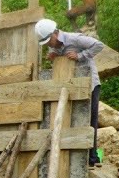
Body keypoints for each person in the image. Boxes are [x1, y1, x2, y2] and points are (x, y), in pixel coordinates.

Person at [36, 19, 105, 166]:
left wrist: (80, 56)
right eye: (46, 43)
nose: (49, 45)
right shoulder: (53, 47)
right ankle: (79, 156)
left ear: (55, 33)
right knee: (75, 119)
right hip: (72, 87)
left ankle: (93, 158)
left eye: (50, 41)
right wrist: (54, 57)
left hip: (90, 85)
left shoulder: (74, 39)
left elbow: (98, 45)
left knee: (90, 120)